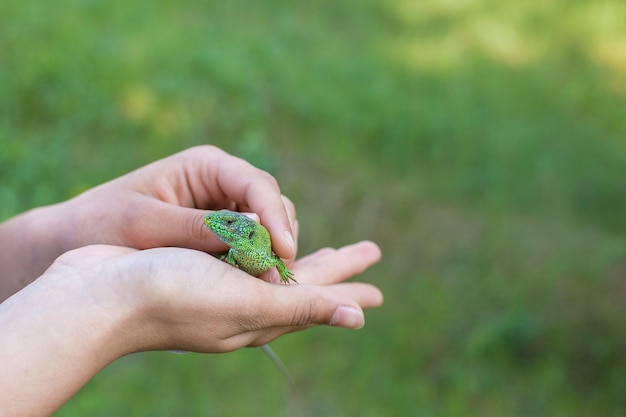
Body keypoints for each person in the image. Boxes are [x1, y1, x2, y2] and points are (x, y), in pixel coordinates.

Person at [0, 145, 384, 416]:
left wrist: (68, 229)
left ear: (246, 231)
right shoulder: (234, 247)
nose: (215, 226)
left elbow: (277, 262)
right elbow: (228, 251)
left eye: (229, 223)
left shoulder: (260, 249)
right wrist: (116, 297)